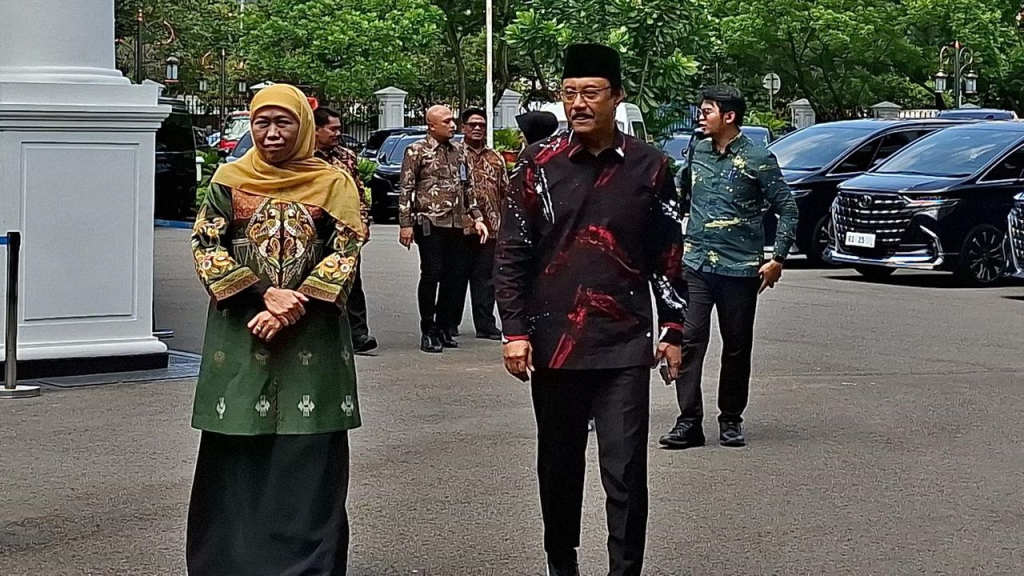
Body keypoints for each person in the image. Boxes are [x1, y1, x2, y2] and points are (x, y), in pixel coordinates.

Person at [495, 44, 689, 576]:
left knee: (625, 469)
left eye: (591, 93)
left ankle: (624, 569)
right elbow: (512, 253)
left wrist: (673, 329)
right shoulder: (537, 165)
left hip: (624, 341)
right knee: (558, 468)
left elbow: (667, 255)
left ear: (616, 97)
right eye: (570, 93)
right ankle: (563, 564)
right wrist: (514, 331)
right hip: (553, 342)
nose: (579, 103)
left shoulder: (651, 167)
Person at [186, 84, 365, 576]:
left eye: (282, 122)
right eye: (261, 121)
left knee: (307, 450)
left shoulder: (333, 184)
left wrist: (291, 307)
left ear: (302, 127)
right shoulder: (229, 178)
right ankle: (229, 562)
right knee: (237, 444)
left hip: (314, 337)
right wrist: (260, 295)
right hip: (240, 334)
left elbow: (346, 252)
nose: (270, 133)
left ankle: (306, 565)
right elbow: (205, 243)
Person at [659, 85, 798, 450]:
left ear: (729, 116)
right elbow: (680, 194)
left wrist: (777, 258)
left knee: (736, 345)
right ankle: (689, 420)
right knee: (689, 341)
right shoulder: (698, 151)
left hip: (740, 268)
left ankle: (731, 418)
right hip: (697, 264)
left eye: (707, 111)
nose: (699, 117)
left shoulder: (758, 158)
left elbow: (788, 207)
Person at [399, 105, 489, 353]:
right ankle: (428, 330)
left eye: (453, 121)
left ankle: (443, 327)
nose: (453, 125)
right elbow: (406, 188)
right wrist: (406, 224)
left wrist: (477, 217)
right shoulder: (417, 151)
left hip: (456, 223)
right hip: (430, 222)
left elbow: (467, 187)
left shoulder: (458, 152)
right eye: (447, 121)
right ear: (432, 125)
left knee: (454, 277)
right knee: (431, 275)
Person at [314, 106, 378, 354]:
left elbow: (358, 192)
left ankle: (358, 334)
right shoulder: (304, 158)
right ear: (317, 130)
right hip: (315, 227)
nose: (338, 133)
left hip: (345, 228)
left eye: (340, 128)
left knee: (351, 281)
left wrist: (363, 221)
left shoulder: (346, 157)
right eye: (333, 129)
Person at [452, 107, 508, 340]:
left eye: (482, 125)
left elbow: (505, 191)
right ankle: (449, 323)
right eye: (472, 124)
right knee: (456, 276)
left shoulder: (495, 158)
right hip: (460, 226)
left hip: (492, 227)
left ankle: (485, 324)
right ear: (463, 127)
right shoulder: (453, 154)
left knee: (486, 280)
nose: (477, 128)